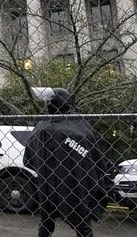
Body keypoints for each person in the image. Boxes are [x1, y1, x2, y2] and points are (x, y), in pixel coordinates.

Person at [23, 88, 111, 237]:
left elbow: (29, 158)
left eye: (49, 102)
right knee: (81, 221)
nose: (47, 104)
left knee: (47, 221)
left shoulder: (44, 125)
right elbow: (96, 156)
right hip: (76, 183)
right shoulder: (79, 123)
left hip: (50, 184)